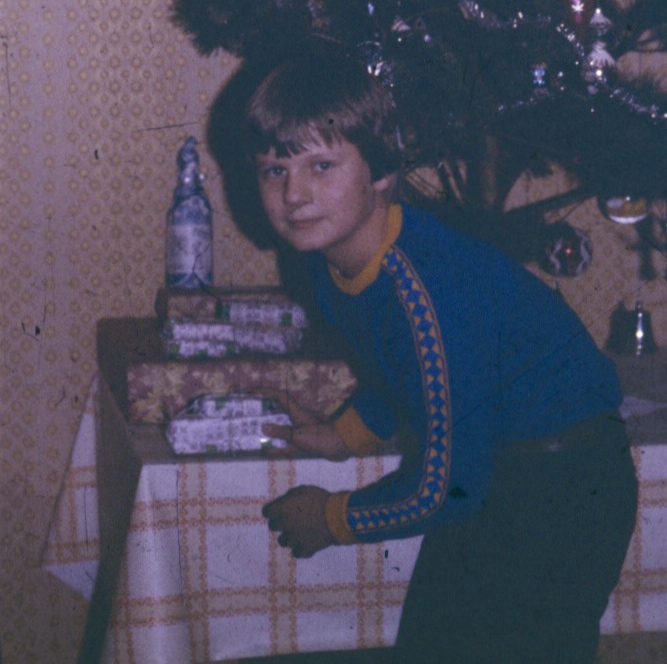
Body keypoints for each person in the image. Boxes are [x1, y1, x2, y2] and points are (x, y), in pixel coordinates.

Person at [242, 45, 638, 664]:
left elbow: (448, 487)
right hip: (497, 470)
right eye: (274, 170)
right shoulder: (327, 263)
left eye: (321, 166)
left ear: (381, 173)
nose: (294, 194)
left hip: (563, 483)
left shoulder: (428, 287)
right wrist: (344, 434)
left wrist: (332, 518)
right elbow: (400, 373)